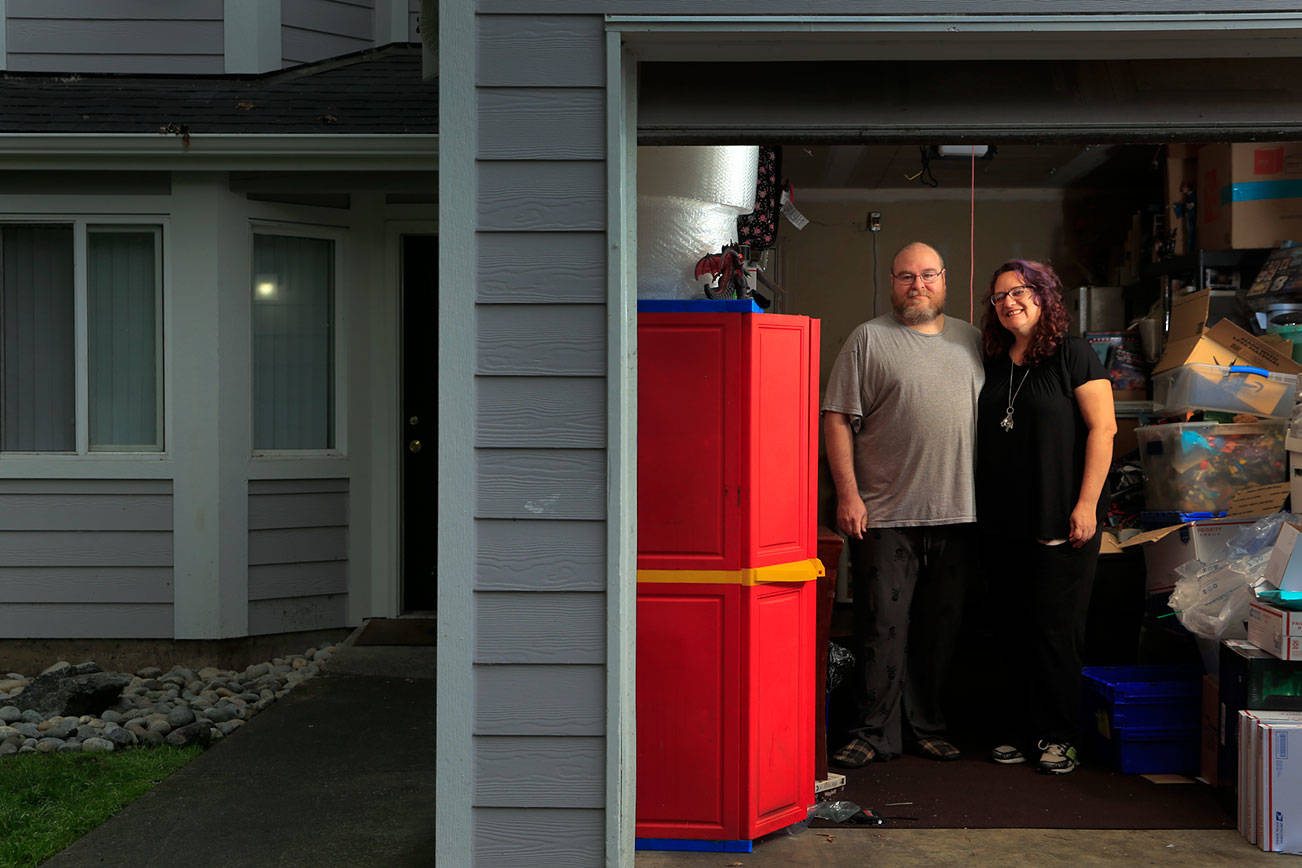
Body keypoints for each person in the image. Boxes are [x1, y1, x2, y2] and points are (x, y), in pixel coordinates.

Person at [822, 241, 984, 767]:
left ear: (945, 279)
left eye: (928, 275)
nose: (918, 285)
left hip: (961, 514)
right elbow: (837, 417)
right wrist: (848, 494)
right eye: (907, 276)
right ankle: (872, 733)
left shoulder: (974, 340)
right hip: (885, 514)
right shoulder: (868, 340)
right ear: (892, 281)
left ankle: (926, 726)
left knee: (940, 630)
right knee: (881, 628)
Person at [975, 259, 1116, 775]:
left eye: (1018, 291)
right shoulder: (994, 359)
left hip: (1062, 517)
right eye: (998, 297)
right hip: (1002, 521)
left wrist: (1085, 505)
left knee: (1056, 633)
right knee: (1009, 628)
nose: (1008, 302)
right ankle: (1015, 729)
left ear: (1044, 294)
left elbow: (1104, 431)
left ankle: (1058, 736)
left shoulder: (1072, 354)